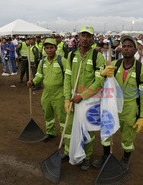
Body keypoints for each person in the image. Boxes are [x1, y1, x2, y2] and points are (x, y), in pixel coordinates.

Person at [92, 35, 143, 170]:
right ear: (121, 49)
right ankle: (106, 157)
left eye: (130, 46)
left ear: (135, 50)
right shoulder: (114, 65)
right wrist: (103, 73)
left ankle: (125, 159)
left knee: (128, 137)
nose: (126, 49)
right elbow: (102, 82)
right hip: (112, 104)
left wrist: (142, 116)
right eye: (124, 46)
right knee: (106, 131)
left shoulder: (142, 70)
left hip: (129, 108)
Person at [63, 25, 107, 170]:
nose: (85, 38)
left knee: (88, 129)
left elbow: (99, 82)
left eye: (88, 36)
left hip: (90, 100)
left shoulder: (97, 57)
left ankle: (86, 157)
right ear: (79, 37)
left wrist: (83, 96)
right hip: (73, 99)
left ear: (93, 39)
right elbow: (67, 77)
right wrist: (67, 97)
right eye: (83, 35)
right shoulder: (71, 55)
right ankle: (69, 152)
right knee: (70, 127)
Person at [27, 38, 67, 141]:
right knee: (48, 115)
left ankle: (65, 137)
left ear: (56, 48)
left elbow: (68, 77)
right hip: (46, 93)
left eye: (51, 48)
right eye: (47, 48)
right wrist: (33, 81)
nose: (49, 50)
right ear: (44, 49)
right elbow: (39, 75)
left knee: (62, 117)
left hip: (60, 94)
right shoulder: (42, 62)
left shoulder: (62, 60)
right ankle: (50, 133)